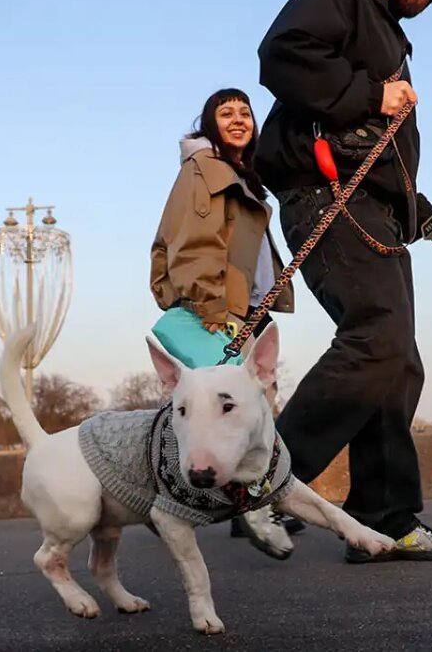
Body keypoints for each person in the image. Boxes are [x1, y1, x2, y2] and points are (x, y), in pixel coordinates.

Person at [252, 0, 432, 564]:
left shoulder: (390, 34)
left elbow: (381, 160)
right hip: (327, 195)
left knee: (397, 361)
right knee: (378, 334)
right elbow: (282, 53)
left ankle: (385, 518)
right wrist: (372, 94)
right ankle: (261, 483)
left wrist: (431, 221)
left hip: (371, 210)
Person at [149, 88, 302, 555]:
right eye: (225, 112)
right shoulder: (207, 169)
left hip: (243, 308)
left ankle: (242, 507)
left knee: (238, 410)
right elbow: (195, 240)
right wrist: (211, 305)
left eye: (245, 112)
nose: (238, 119)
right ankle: (257, 510)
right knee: (238, 412)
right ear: (210, 123)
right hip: (220, 310)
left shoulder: (239, 173)